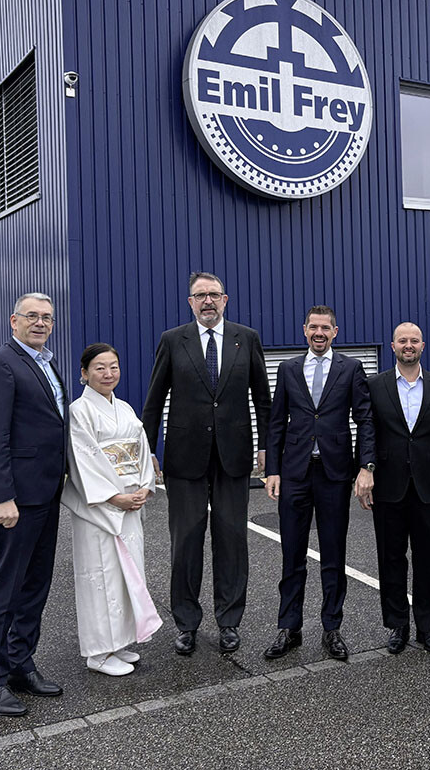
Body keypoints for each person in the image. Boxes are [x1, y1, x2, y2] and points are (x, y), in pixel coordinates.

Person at [141, 272, 270, 657]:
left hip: (233, 456)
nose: (208, 301)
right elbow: (154, 400)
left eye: (214, 294)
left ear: (225, 299)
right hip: (184, 458)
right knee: (186, 543)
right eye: (200, 295)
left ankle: (229, 621)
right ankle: (186, 623)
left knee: (232, 541)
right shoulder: (172, 340)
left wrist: (267, 447)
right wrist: (148, 451)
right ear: (190, 302)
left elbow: (263, 399)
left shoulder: (246, 338)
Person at [0, 293, 68, 717]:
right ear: (14, 321)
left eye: (47, 317)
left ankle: (19, 664)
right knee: (4, 589)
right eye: (32, 316)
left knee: (34, 586)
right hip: (16, 499)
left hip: (46, 493)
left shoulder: (47, 364)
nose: (40, 323)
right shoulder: (0, 363)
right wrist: (3, 497)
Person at [263, 305, 376, 661]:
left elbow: (365, 419)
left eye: (325, 328)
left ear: (335, 332)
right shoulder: (288, 369)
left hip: (334, 474)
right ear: (304, 330)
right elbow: (276, 421)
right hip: (295, 473)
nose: (319, 333)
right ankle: (289, 627)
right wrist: (272, 470)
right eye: (314, 327)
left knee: (333, 554)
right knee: (292, 554)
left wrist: (366, 467)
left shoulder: (351, 368)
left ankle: (332, 628)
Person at [359, 322, 430, 655]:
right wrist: (365, 470)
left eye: (414, 341)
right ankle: (397, 625)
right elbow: (367, 432)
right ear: (392, 346)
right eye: (402, 340)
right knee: (390, 559)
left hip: (428, 488)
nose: (409, 345)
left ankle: (427, 627)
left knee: (426, 559)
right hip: (388, 487)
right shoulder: (375, 386)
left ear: (423, 346)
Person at [64, 343, 163, 676]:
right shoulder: (80, 411)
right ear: (84, 373)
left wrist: (144, 486)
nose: (108, 374)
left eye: (113, 367)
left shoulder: (125, 408)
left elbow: (142, 450)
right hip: (100, 508)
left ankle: (118, 642)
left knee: (126, 574)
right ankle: (98, 652)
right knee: (100, 575)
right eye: (99, 368)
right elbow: (84, 459)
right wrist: (112, 497)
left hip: (130, 500)